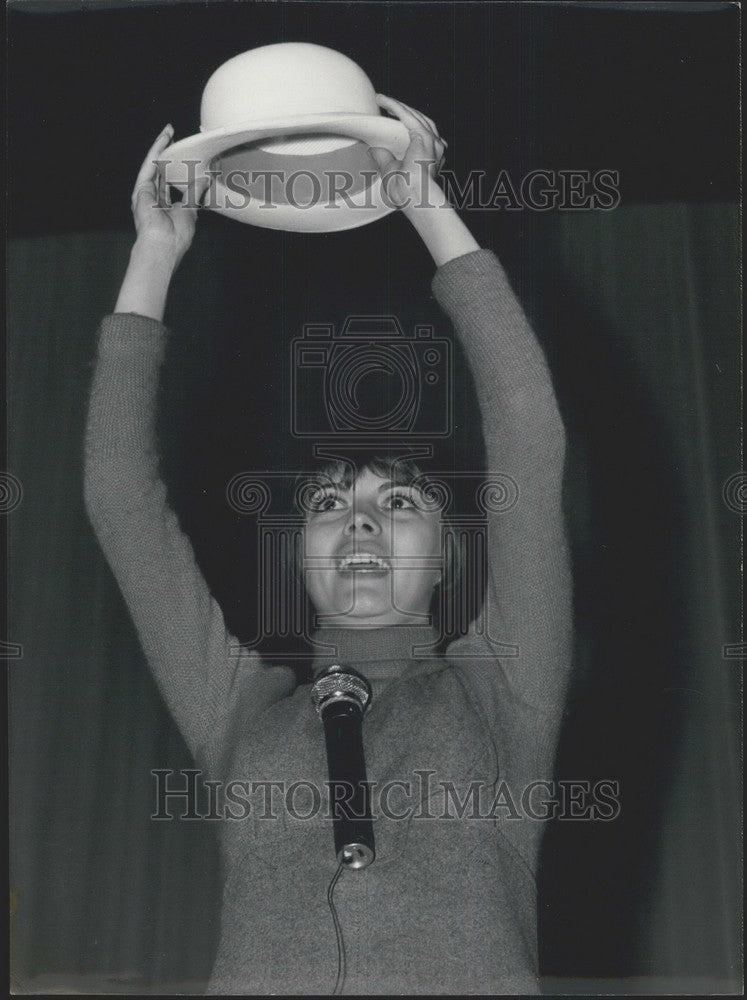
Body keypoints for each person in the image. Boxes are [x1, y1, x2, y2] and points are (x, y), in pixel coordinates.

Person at [84, 95, 572, 995]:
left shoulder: (504, 687)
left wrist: (423, 201)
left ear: (450, 550)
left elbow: (529, 436)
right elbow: (118, 498)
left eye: (399, 502)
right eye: (329, 503)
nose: (359, 522)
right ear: (299, 553)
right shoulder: (235, 712)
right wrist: (154, 253)